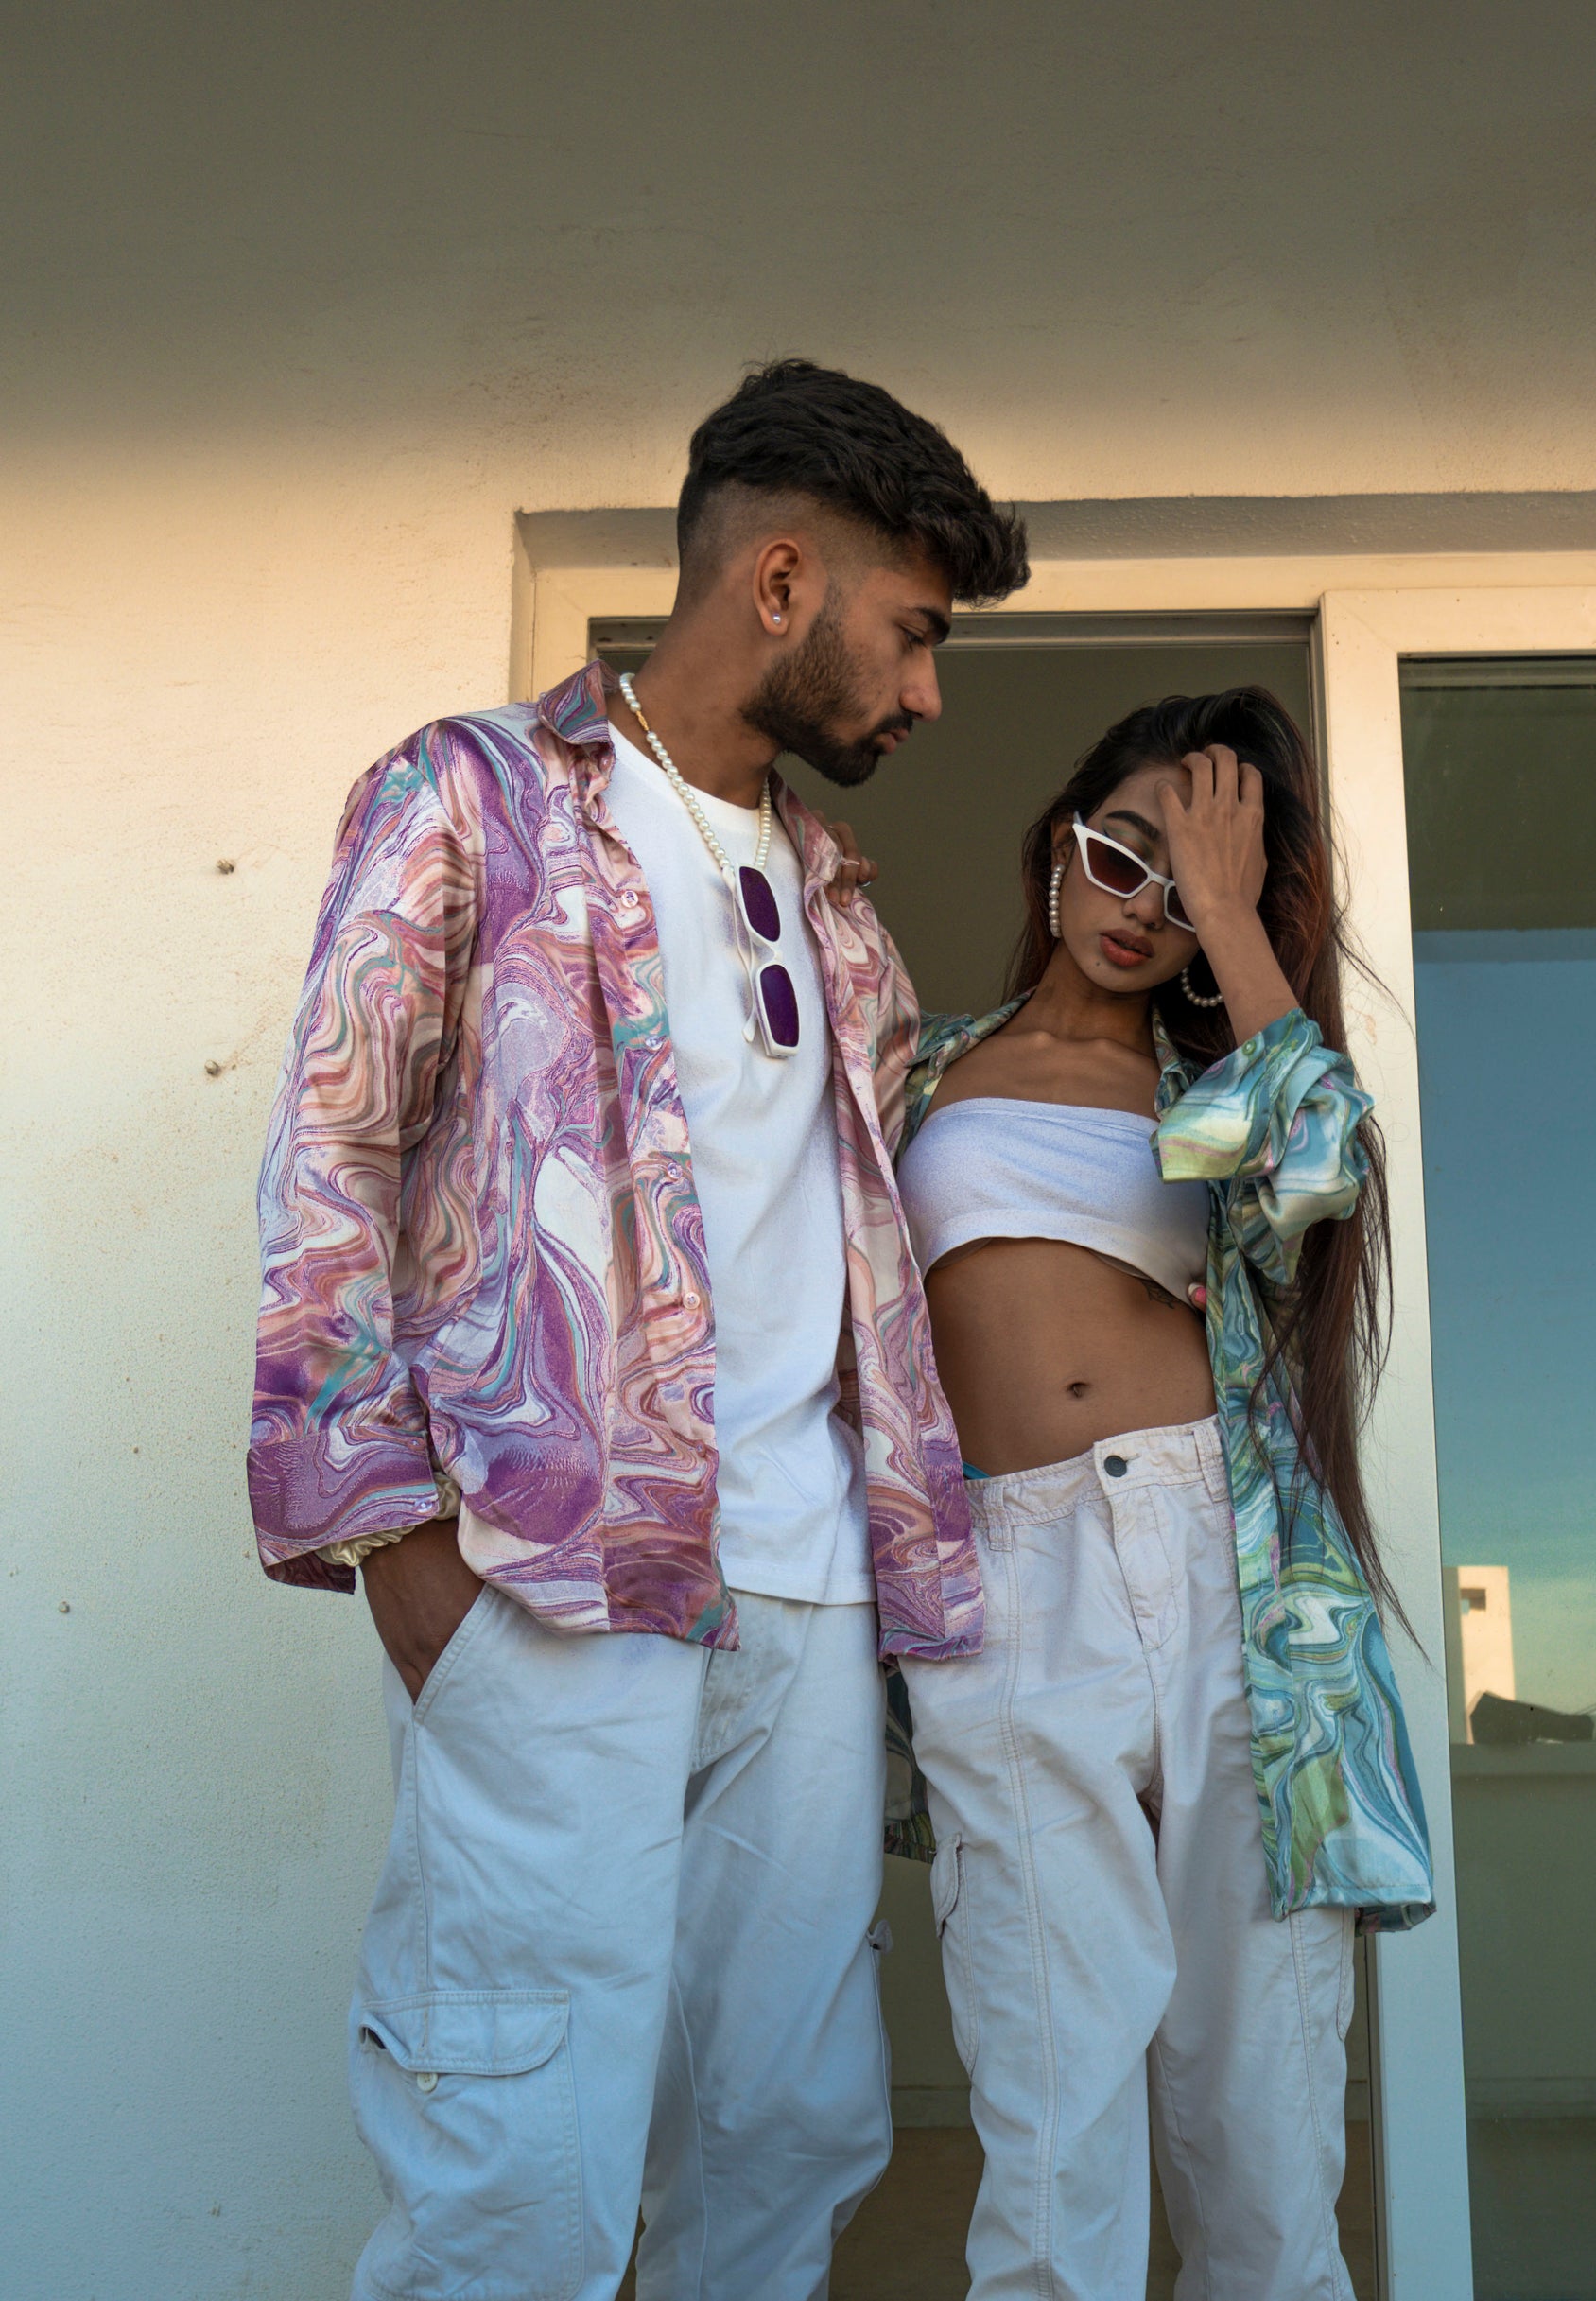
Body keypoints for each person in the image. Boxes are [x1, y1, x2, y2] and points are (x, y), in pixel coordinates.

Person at [248, 358, 1027, 2301]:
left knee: (788, 2125)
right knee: (517, 2138)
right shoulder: (475, 800)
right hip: (549, 1573)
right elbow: (331, 1148)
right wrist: (387, 1532)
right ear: (780, 580)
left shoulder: (847, 914)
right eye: (912, 630)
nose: (928, 692)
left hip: (809, 1595)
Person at [893, 688, 1435, 2301]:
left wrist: (1237, 913)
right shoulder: (913, 1073)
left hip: (1229, 1580)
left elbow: (1327, 1163)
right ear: (1049, 848)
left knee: (1260, 2113)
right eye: (1122, 853)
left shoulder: (1223, 1096)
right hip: (1001, 1577)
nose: (1142, 905)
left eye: (1191, 882)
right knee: (1045, 2099)